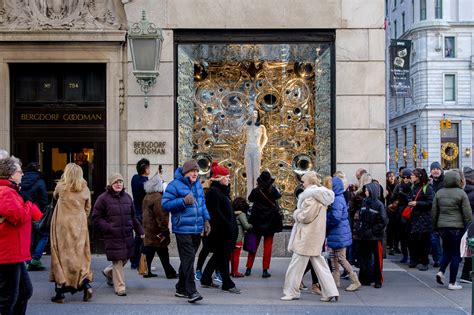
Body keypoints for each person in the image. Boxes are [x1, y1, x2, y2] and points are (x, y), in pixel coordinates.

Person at [281, 171, 338, 302]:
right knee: (320, 264)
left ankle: (291, 291)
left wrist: (296, 214)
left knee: (295, 266)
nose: (302, 183)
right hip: (315, 235)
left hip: (307, 236)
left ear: (310, 182)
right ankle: (330, 291)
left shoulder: (312, 196)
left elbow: (306, 217)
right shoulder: (320, 195)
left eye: (304, 181)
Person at [162, 159, 210, 303]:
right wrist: (183, 201)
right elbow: (165, 204)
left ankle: (181, 288)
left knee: (187, 259)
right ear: (185, 172)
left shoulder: (197, 185)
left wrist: (206, 220)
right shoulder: (174, 185)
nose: (195, 173)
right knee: (188, 258)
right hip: (182, 228)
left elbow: (202, 205)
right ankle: (191, 291)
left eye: (196, 171)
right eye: (192, 171)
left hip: (196, 228)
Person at [0, 156, 42, 315]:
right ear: (10, 174)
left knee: (24, 292)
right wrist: (28, 204)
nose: (22, 174)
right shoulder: (5, 192)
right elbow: (17, 217)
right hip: (8, 254)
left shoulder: (12, 191)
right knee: (8, 298)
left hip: (15, 253)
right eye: (19, 171)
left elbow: (34, 216)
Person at [92, 173, 144, 297]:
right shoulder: (103, 198)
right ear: (110, 184)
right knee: (117, 260)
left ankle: (108, 272)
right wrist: (108, 227)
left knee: (125, 257)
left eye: (120, 182)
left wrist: (140, 230)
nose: (119, 184)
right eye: (116, 182)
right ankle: (120, 287)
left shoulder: (127, 198)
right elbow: (96, 217)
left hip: (126, 235)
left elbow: (133, 217)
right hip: (113, 235)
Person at [49, 163, 93, 303]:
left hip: (61, 225)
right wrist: (81, 218)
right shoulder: (84, 188)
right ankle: (85, 284)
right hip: (80, 225)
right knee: (81, 255)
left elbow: (55, 197)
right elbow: (88, 208)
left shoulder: (61, 187)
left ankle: (60, 292)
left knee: (60, 255)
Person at [200, 163, 241, 293]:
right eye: (226, 177)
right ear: (218, 178)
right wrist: (229, 227)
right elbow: (216, 214)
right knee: (223, 258)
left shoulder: (221, 191)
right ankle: (227, 283)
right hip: (221, 233)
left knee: (218, 256)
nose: (228, 179)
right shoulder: (213, 193)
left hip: (225, 232)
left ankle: (206, 278)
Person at [432, 170, 472, 290]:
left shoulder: (439, 193)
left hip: (442, 227)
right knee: (455, 254)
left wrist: (435, 227)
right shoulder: (461, 193)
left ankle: (441, 271)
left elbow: (434, 212)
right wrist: (468, 228)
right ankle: (452, 282)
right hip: (457, 228)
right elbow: (467, 214)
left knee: (446, 251)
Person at [245, 170, 282, 278]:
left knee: (253, 246)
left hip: (257, 222)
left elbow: (250, 199)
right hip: (270, 222)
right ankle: (265, 270)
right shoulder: (273, 190)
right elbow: (278, 196)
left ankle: (248, 268)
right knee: (268, 247)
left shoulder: (256, 191)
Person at [326, 176, 361, 292]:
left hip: (338, 233)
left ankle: (355, 281)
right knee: (333, 258)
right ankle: (335, 282)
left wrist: (326, 220)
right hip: (337, 233)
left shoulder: (337, 199)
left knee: (340, 258)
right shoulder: (338, 198)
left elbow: (335, 217)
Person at [142, 174, 177, 279]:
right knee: (162, 251)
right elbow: (161, 216)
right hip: (156, 230)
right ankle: (169, 272)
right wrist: (165, 230)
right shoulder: (158, 198)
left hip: (148, 229)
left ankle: (146, 271)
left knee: (150, 250)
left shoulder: (147, 196)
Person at [356, 182, 388, 288]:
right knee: (364, 258)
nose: (365, 192)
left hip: (375, 237)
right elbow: (360, 218)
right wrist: (360, 230)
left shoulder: (379, 204)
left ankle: (378, 280)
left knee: (377, 260)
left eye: (367, 190)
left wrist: (373, 231)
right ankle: (365, 278)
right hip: (364, 236)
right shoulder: (364, 202)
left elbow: (383, 221)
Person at [19, 162, 48, 271]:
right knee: (44, 235)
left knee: (28, 235)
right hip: (36, 211)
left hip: (24, 211)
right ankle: (35, 259)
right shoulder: (40, 181)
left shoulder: (21, 179)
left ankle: (27, 259)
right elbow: (44, 198)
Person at [408, 168, 434, 271]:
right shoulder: (413, 186)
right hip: (415, 218)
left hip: (424, 219)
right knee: (414, 240)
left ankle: (424, 262)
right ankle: (414, 260)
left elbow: (431, 202)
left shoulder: (427, 188)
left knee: (424, 241)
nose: (411, 176)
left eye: (412, 175)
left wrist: (417, 203)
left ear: (418, 177)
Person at [389, 168, 414, 264]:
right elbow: (392, 198)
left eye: (408, 177)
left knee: (410, 237)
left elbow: (412, 198)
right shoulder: (398, 186)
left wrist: (405, 196)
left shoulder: (412, 186)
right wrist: (397, 196)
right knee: (402, 236)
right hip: (400, 213)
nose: (406, 179)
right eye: (404, 177)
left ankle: (412, 257)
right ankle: (405, 255)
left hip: (410, 212)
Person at [130, 158, 150, 269]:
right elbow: (149, 188)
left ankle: (135, 261)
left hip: (136, 211)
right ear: (146, 169)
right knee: (142, 239)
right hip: (142, 213)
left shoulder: (134, 178)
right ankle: (139, 263)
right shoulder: (144, 182)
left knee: (138, 238)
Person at [243, 110, 268, 197]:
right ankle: (249, 197)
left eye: (256, 113)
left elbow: (265, 138)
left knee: (256, 174)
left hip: (256, 149)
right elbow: (242, 136)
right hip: (248, 149)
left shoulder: (261, 127)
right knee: (249, 174)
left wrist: (261, 148)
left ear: (258, 115)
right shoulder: (247, 126)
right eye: (252, 113)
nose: (254, 114)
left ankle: (256, 197)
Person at [231, 197, 252, 277]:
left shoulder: (232, 213)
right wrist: (252, 226)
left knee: (232, 256)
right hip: (238, 238)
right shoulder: (241, 214)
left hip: (232, 238)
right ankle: (235, 272)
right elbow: (246, 226)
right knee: (236, 256)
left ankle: (232, 271)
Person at [430, 161, 445, 268]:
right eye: (434, 169)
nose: (435, 171)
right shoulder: (428, 183)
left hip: (444, 213)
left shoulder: (445, 182)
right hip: (432, 214)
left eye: (437, 169)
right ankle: (438, 259)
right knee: (434, 239)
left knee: (445, 239)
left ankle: (445, 258)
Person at [461, 167, 474, 283]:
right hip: (471, 223)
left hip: (465, 223)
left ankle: (466, 274)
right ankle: (466, 274)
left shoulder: (463, 191)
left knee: (469, 249)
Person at [385, 171, 400, 256]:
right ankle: (390, 246)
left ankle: (396, 246)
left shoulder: (397, 186)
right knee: (390, 228)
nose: (391, 178)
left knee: (397, 229)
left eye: (393, 176)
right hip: (389, 210)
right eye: (389, 176)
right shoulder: (386, 186)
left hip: (397, 209)